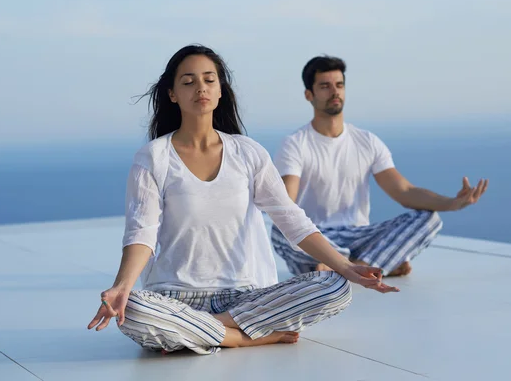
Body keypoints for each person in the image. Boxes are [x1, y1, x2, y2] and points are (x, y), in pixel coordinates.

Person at [87, 45, 400, 355]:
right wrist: (122, 286)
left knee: (335, 287)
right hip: (175, 296)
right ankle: (243, 337)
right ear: (172, 94)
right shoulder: (153, 157)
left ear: (221, 89)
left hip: (244, 297)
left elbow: (292, 220)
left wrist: (345, 266)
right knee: (136, 310)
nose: (200, 88)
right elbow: (141, 233)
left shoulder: (247, 152)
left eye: (209, 80)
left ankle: (200, 330)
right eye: (188, 81)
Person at [271, 55, 488, 277]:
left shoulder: (366, 141)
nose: (335, 92)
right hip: (315, 237)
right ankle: (370, 263)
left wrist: (453, 203)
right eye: (325, 86)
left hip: (360, 235)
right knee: (279, 230)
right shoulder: (295, 144)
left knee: (429, 219)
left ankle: (354, 265)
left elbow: (404, 191)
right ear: (309, 95)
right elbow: (286, 203)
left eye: (339, 85)